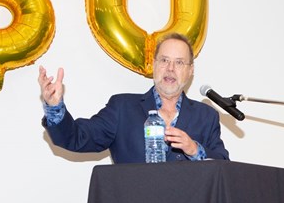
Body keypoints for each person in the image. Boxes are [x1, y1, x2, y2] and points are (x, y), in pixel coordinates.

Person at [38, 33, 229, 163]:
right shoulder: (122, 108)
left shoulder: (206, 116)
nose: (170, 68)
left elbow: (223, 168)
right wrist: (54, 107)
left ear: (190, 71)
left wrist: (194, 150)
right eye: (164, 60)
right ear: (154, 65)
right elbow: (76, 138)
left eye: (179, 62)